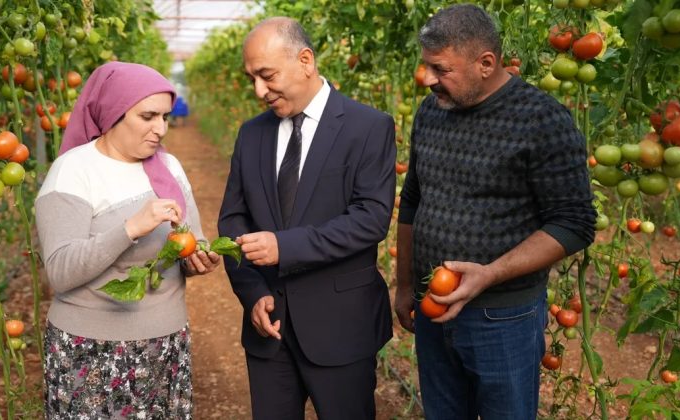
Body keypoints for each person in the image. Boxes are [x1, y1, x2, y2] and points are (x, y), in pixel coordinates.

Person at [394, 4, 597, 419]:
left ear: (486, 63)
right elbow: (414, 197)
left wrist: (490, 273)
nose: (428, 79)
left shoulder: (542, 120)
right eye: (427, 66)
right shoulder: (432, 111)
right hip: (434, 305)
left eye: (440, 69)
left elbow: (574, 222)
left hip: (502, 317)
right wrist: (404, 284)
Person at [217, 17, 396, 420]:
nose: (259, 91)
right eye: (251, 79)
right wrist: (251, 292)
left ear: (305, 61)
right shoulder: (252, 134)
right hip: (269, 329)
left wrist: (284, 247)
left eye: (267, 76)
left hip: (341, 327)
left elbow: (371, 218)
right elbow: (233, 221)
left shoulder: (368, 127)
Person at [35, 61, 220, 419]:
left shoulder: (170, 167)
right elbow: (59, 272)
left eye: (164, 117)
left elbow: (191, 240)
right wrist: (130, 229)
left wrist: (196, 259)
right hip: (90, 351)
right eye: (148, 116)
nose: (160, 128)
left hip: (165, 344)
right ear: (113, 113)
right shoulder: (74, 171)